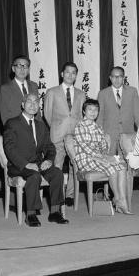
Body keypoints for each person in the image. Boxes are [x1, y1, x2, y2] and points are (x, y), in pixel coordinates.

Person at [3, 93, 68, 227]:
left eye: (36, 102)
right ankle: (31, 214)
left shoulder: (40, 125)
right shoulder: (12, 123)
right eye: (29, 102)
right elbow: (9, 149)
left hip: (38, 163)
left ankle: (55, 212)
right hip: (18, 165)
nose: (33, 105)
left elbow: (49, 147)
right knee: (34, 176)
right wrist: (26, 164)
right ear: (22, 105)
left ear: (39, 106)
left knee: (57, 174)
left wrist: (49, 160)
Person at [74, 99, 131, 214]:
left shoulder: (98, 128)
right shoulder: (80, 126)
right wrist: (103, 158)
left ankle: (121, 200)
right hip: (86, 159)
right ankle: (118, 200)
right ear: (84, 111)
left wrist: (105, 148)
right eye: (90, 109)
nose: (93, 112)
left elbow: (103, 148)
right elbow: (86, 149)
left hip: (99, 158)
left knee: (122, 166)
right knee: (112, 168)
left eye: (96, 110)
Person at [44, 62, 86, 207]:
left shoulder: (81, 94)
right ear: (62, 74)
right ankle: (57, 196)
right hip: (57, 135)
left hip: (75, 135)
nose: (70, 75)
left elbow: (82, 115)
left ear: (76, 75)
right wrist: (56, 127)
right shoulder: (52, 92)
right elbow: (47, 114)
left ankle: (70, 195)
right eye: (67, 72)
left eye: (73, 72)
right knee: (57, 166)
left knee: (75, 165)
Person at [97, 66, 139, 155]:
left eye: (120, 76)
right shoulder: (102, 94)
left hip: (128, 135)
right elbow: (99, 117)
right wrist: (101, 136)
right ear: (110, 78)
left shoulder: (132, 91)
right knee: (110, 164)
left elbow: (138, 115)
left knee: (128, 165)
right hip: (109, 136)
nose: (117, 79)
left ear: (124, 78)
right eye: (114, 76)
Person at [0, 55, 39, 127]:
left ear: (29, 70)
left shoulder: (34, 86)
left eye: (25, 66)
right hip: (16, 131)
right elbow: (4, 116)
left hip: (34, 129)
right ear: (13, 69)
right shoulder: (5, 89)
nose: (22, 69)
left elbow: (37, 112)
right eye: (19, 66)